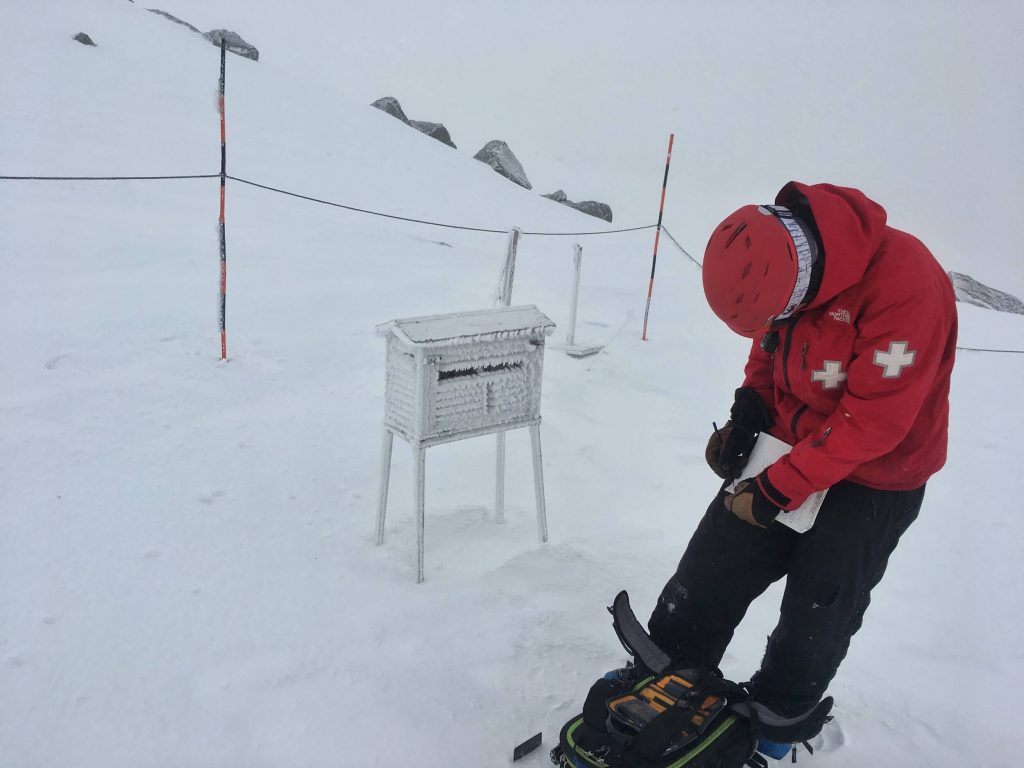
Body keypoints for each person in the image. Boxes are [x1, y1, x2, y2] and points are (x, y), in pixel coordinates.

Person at [646, 181, 957, 747]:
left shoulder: (906, 286)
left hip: (876, 475)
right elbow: (769, 342)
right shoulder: (785, 269)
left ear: (806, 282)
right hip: (788, 441)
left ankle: (774, 725)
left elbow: (874, 424)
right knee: (716, 561)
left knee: (820, 606)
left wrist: (774, 490)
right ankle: (661, 673)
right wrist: (751, 408)